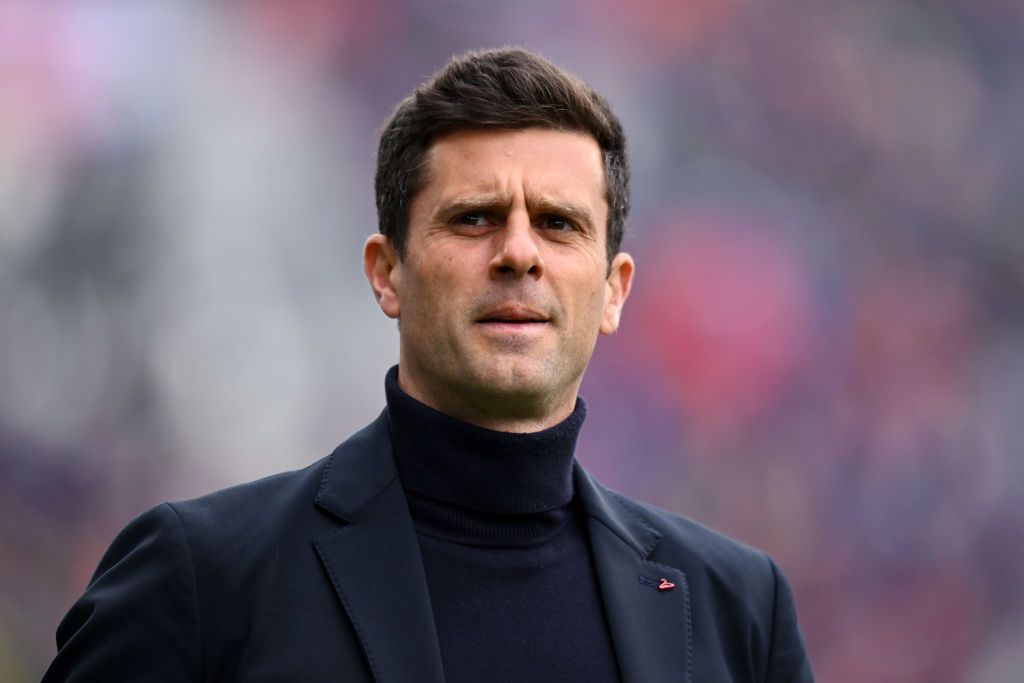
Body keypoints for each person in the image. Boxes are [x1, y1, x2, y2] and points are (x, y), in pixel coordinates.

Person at [44, 48, 813, 682]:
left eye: (558, 223)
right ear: (388, 273)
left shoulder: (736, 607)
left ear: (613, 291)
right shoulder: (205, 578)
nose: (518, 253)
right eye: (474, 218)